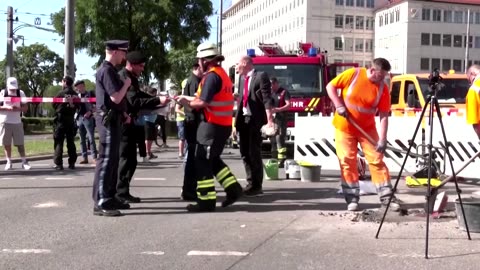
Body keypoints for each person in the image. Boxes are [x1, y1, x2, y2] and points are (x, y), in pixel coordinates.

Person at [325, 57, 402, 212]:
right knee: (347, 160)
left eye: (384, 77)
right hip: (344, 127)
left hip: (367, 129)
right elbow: (330, 87)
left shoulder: (382, 88)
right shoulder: (353, 74)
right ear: (372, 70)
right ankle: (352, 198)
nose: (381, 80)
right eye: (380, 76)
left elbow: (384, 115)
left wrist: (383, 139)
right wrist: (339, 105)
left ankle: (387, 197)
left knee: (376, 160)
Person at [176, 42, 243, 212]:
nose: (198, 63)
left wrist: (186, 102)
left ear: (205, 60)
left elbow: (203, 102)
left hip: (211, 126)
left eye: (199, 59)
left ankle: (206, 201)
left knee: (202, 161)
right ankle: (233, 189)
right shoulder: (222, 75)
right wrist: (187, 98)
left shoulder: (211, 77)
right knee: (212, 160)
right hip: (221, 125)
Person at [116, 51, 169, 204]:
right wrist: (157, 100)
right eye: (140, 66)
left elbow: (139, 95)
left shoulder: (131, 77)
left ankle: (123, 191)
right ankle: (120, 192)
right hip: (124, 123)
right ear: (131, 64)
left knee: (131, 160)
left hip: (132, 122)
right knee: (126, 159)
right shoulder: (124, 77)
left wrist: (156, 100)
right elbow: (134, 102)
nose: (142, 69)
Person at [92, 40, 132, 217]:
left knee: (113, 161)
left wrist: (123, 113)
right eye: (123, 53)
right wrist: (126, 84)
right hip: (107, 121)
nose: (124, 57)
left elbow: (115, 102)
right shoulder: (106, 71)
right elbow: (115, 97)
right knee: (107, 161)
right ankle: (101, 201)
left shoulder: (111, 70)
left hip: (114, 119)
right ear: (115, 52)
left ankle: (109, 196)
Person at [234, 55, 274, 196]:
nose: (236, 66)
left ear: (245, 63)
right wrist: (235, 124)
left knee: (254, 152)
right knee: (244, 152)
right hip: (243, 120)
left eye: (237, 63)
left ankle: (257, 185)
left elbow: (267, 99)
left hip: (255, 120)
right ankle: (250, 182)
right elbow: (240, 101)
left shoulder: (260, 76)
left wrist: (270, 120)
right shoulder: (241, 78)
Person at [180, 63, 202, 201]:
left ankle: (189, 189)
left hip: (191, 121)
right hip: (194, 122)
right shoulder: (194, 82)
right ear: (197, 68)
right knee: (193, 159)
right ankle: (189, 190)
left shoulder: (191, 80)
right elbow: (197, 101)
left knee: (193, 158)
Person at [0, 77, 30, 170]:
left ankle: (24, 161)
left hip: (17, 122)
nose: (13, 90)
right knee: (7, 143)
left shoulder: (20, 93)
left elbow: (25, 108)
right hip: (5, 121)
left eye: (14, 88)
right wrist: (7, 108)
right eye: (11, 88)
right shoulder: (2, 93)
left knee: (20, 143)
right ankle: (9, 162)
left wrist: (18, 109)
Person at [52, 75, 78, 170]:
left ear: (65, 82)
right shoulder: (75, 94)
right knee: (71, 142)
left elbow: (53, 104)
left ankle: (59, 164)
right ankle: (72, 163)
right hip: (71, 120)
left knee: (59, 141)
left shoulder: (61, 93)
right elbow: (78, 107)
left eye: (62, 81)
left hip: (60, 120)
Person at [269, 76, 291, 168]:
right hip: (272, 120)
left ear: (275, 83)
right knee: (272, 140)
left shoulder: (284, 92)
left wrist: (278, 109)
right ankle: (274, 159)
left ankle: (281, 160)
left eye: (271, 85)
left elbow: (288, 105)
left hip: (281, 119)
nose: (270, 87)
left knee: (279, 140)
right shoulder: (270, 93)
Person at [74, 80, 98, 164]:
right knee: (82, 139)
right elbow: (74, 106)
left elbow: (96, 105)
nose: (78, 89)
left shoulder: (90, 94)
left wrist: (90, 112)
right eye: (77, 87)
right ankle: (84, 157)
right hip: (79, 118)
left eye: (79, 87)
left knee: (91, 138)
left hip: (88, 118)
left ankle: (94, 157)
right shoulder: (76, 96)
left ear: (83, 86)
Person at [144, 88, 160, 160]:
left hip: (152, 121)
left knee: (151, 138)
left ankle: (149, 152)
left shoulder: (152, 99)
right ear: (152, 93)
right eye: (155, 93)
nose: (156, 95)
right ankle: (147, 153)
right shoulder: (147, 99)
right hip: (147, 120)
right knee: (147, 138)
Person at [466, 65, 480, 139]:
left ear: (472, 74)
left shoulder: (473, 89)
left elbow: (474, 119)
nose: (470, 82)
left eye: (469, 79)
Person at [175, 82, 186, 159]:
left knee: (186, 137)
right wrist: (185, 113)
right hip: (181, 120)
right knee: (182, 138)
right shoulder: (181, 100)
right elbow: (176, 109)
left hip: (186, 120)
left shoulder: (185, 99)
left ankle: (185, 152)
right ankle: (180, 153)